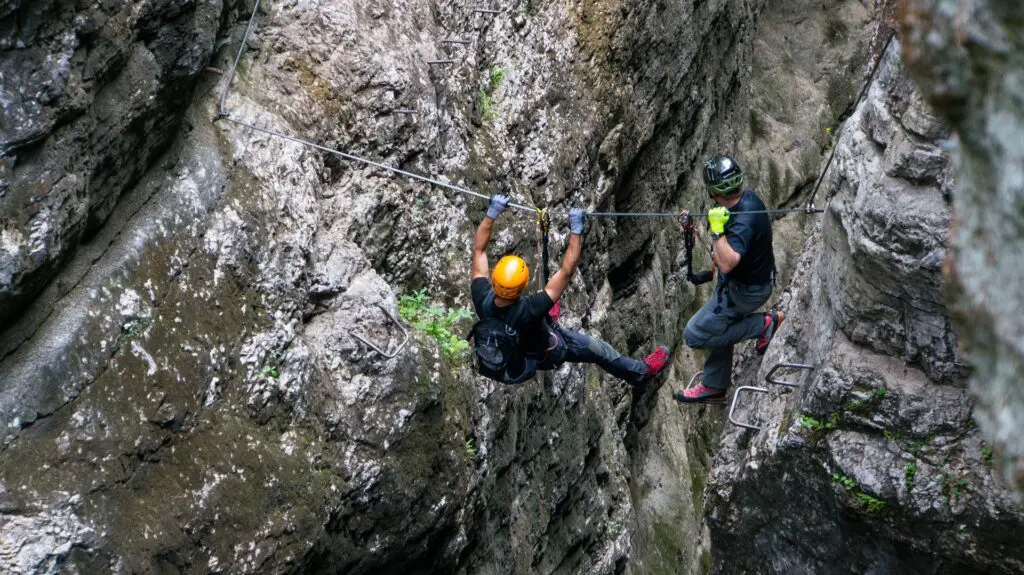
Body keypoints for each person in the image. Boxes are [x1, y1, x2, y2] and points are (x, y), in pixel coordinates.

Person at [470, 195, 669, 386]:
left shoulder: (481, 297)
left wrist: (491, 214)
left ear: (494, 279)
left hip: (517, 349)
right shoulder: (531, 308)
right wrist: (576, 230)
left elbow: (479, 251)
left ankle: (549, 321)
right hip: (549, 352)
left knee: (545, 304)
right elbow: (567, 271)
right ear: (522, 287)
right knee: (599, 350)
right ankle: (639, 372)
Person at [676, 155, 783, 403]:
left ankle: (765, 325)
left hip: (746, 291)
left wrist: (716, 231)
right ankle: (715, 385)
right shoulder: (745, 201)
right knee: (716, 323)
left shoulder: (744, 219)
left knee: (695, 334)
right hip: (746, 283)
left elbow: (726, 263)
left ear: (714, 192)